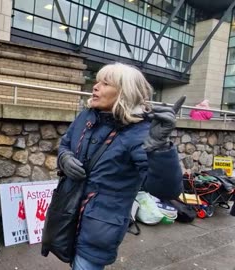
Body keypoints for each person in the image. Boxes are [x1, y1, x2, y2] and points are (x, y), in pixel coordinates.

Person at [58, 63, 183, 270]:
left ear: (126, 92)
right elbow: (64, 144)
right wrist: (65, 158)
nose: (95, 87)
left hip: (99, 229)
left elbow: (166, 190)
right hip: (67, 215)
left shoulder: (140, 134)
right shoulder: (86, 116)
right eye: (97, 81)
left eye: (105, 83)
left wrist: (158, 148)